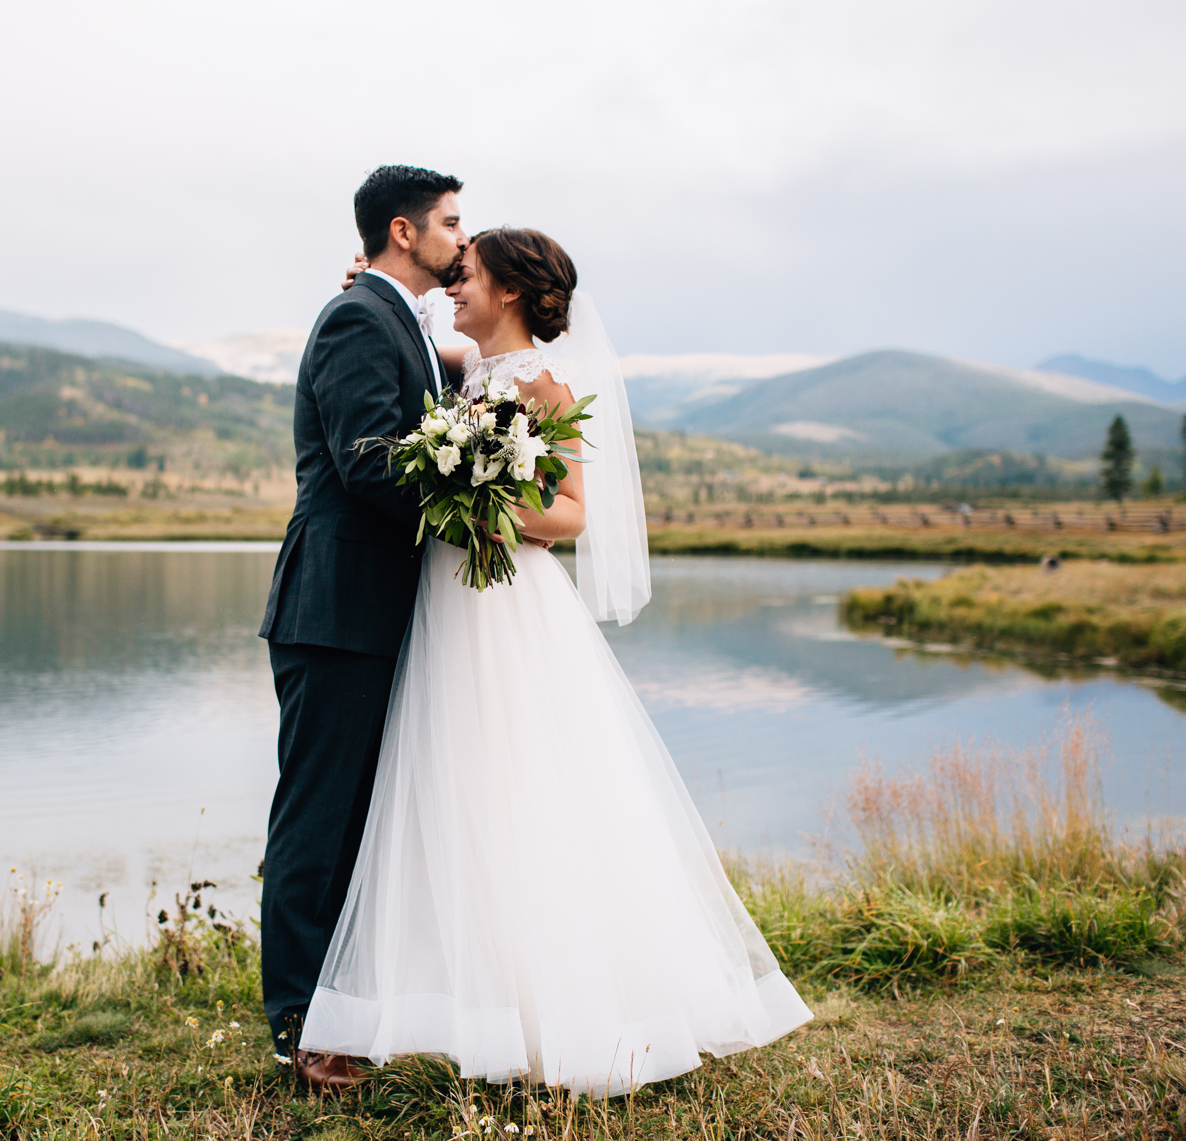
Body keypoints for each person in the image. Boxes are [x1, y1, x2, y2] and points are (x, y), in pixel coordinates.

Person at [295, 227, 812, 1096]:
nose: (455, 282)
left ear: (506, 292)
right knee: (450, 790)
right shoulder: (472, 371)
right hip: (447, 602)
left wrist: (484, 512)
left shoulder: (543, 383)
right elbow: (419, 333)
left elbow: (572, 513)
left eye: (468, 274)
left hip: (506, 603)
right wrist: (367, 281)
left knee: (524, 787)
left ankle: (569, 1014)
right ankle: (464, 1007)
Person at [257, 165, 468, 1090]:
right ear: (403, 231)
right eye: (452, 224)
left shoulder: (404, 322)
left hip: (379, 611)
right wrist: (474, 498)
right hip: (336, 609)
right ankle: (300, 1027)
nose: (464, 239)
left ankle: (351, 1003)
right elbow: (367, 461)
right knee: (318, 821)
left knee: (364, 823)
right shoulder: (355, 319)